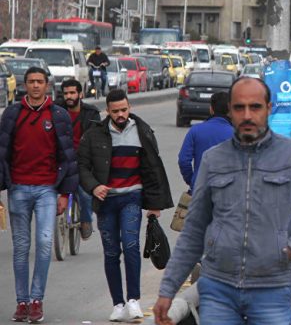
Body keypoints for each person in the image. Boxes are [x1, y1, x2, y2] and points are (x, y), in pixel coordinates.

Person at [153, 77, 291, 325]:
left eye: (255, 107)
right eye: (239, 107)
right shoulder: (213, 160)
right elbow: (194, 230)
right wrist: (168, 289)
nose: (247, 115)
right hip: (217, 289)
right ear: (230, 110)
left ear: (269, 109)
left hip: (272, 289)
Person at [77, 89, 174, 322]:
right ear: (107, 111)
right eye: (115, 111)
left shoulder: (142, 131)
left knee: (131, 246)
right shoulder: (93, 135)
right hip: (106, 201)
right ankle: (118, 303)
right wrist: (94, 187)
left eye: (124, 110)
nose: (120, 114)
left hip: (132, 198)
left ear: (129, 107)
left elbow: (153, 169)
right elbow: (82, 166)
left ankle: (133, 300)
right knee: (111, 252)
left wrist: (155, 205)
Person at [0, 66, 78, 323]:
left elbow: (68, 156)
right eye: (31, 81)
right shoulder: (12, 114)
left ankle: (36, 300)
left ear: (47, 85)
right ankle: (21, 302)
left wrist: (65, 193)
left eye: (40, 81)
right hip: (18, 188)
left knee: (44, 244)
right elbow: (2, 153)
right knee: (21, 247)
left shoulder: (59, 115)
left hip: (47, 189)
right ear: (25, 85)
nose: (35, 85)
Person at [60, 79, 102, 240]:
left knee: (85, 195)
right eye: (66, 93)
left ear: (80, 94)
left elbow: (97, 141)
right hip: (61, 162)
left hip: (83, 163)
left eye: (72, 93)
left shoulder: (91, 113)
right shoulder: (56, 111)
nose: (69, 96)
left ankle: (86, 221)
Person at [178, 92, 234, 191]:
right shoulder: (235, 134)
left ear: (211, 109)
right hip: (227, 191)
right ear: (230, 110)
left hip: (200, 188)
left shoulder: (195, 130)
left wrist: (192, 181)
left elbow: (183, 160)